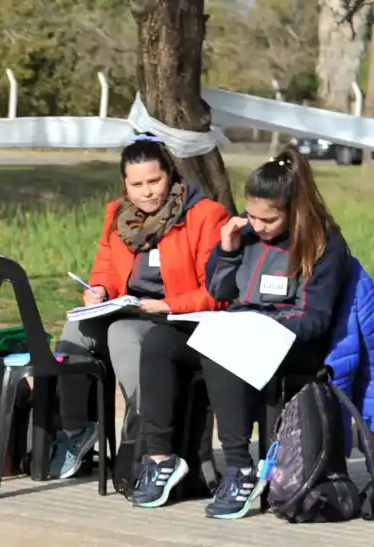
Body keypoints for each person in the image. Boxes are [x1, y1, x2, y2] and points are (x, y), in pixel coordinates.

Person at [133, 146, 351, 518]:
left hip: (289, 341)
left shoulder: (322, 245)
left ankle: (240, 468)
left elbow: (314, 320)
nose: (257, 225)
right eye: (250, 214)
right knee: (160, 342)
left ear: (293, 211)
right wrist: (229, 249)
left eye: (267, 219)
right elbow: (219, 293)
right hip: (238, 329)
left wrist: (257, 326)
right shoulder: (245, 234)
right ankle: (160, 456)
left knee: (223, 347)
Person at [49, 135, 230, 479]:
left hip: (179, 318)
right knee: (77, 327)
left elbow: (217, 292)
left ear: (171, 175)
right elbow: (105, 264)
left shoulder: (206, 215)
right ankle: (76, 431)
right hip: (131, 309)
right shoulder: (118, 215)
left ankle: (147, 432)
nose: (147, 192)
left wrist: (165, 304)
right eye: (137, 184)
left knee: (121, 333)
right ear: (125, 185)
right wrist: (99, 289)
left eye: (154, 181)